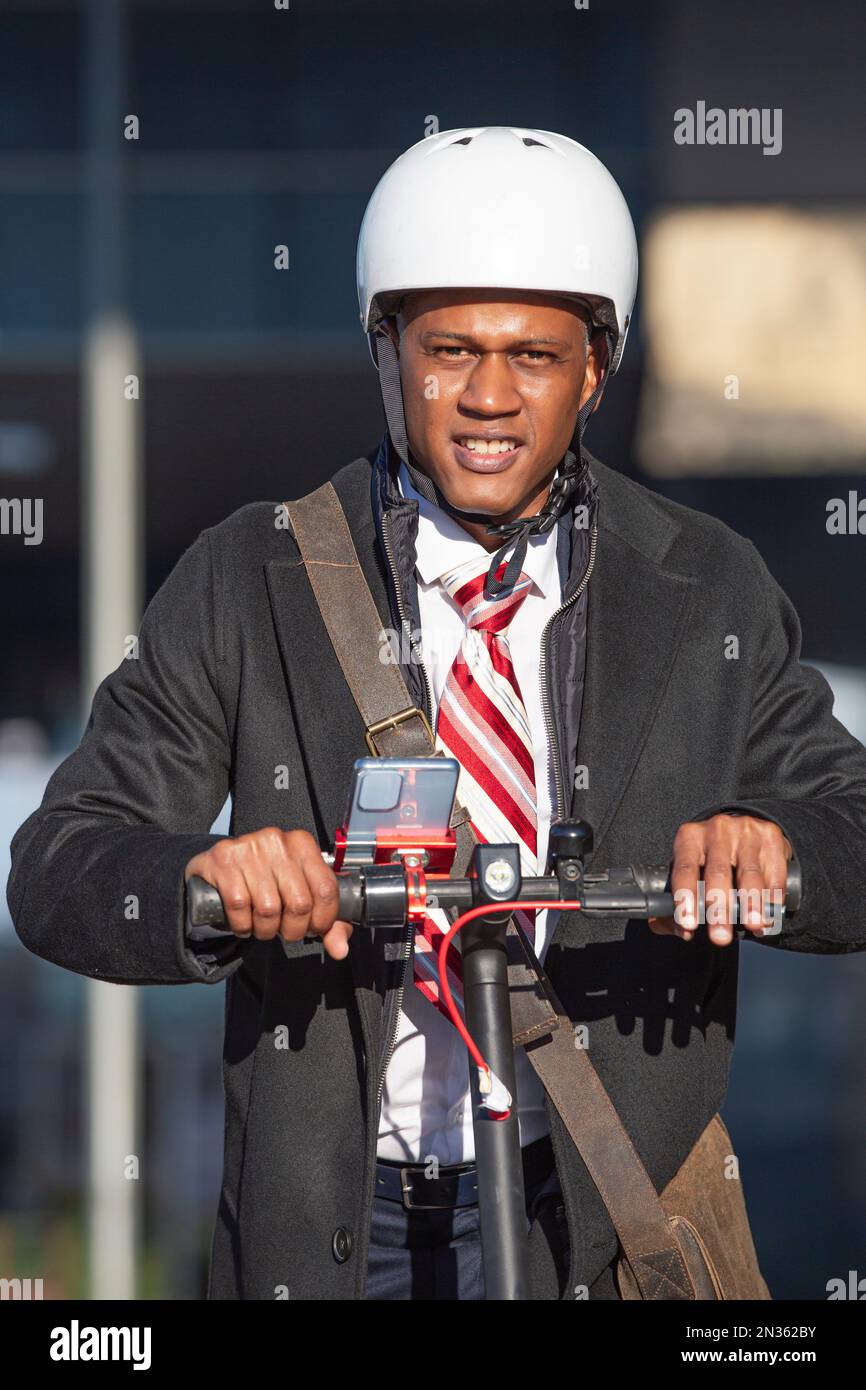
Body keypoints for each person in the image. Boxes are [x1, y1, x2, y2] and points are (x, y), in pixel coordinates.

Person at [8, 127, 866, 1301]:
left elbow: (854, 828)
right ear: (386, 353)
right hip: (332, 1231)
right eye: (448, 348)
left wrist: (776, 852)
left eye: (534, 356)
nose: (488, 396)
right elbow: (59, 866)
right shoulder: (246, 576)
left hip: (604, 1223)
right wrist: (208, 880)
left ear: (595, 372)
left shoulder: (703, 584)